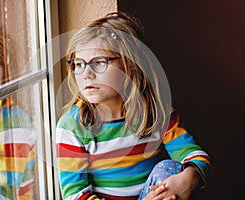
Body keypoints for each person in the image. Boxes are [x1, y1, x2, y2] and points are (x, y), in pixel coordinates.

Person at [56, 11, 212, 200]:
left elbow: (193, 155)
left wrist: (191, 177)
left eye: (99, 63)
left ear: (131, 66)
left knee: (169, 170)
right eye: (78, 64)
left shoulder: (156, 113)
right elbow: (75, 196)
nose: (86, 74)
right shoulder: (72, 127)